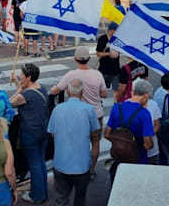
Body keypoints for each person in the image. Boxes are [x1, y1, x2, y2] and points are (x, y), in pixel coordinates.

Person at [51, 46, 108, 181]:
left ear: (75, 59)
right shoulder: (97, 74)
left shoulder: (71, 75)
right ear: (88, 58)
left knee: (78, 141)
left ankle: (78, 167)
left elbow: (55, 90)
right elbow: (104, 94)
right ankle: (92, 170)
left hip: (77, 116)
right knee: (95, 142)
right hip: (96, 114)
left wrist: (55, 87)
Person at [48, 78, 97, 206]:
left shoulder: (57, 109)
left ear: (67, 92)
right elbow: (94, 134)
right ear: (82, 92)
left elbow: (52, 133)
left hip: (61, 163)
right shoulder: (89, 110)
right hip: (82, 165)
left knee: (61, 199)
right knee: (80, 198)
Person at [9, 64, 50, 203]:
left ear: (28, 77)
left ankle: (37, 195)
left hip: (30, 133)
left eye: (22, 75)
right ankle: (43, 190)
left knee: (34, 164)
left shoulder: (25, 94)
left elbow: (10, 103)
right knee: (41, 162)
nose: (20, 76)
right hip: (43, 131)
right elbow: (25, 96)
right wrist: (17, 83)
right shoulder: (41, 88)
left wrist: (19, 87)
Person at [105, 79, 155, 183]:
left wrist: (121, 143)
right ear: (145, 96)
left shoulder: (116, 107)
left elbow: (107, 134)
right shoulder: (144, 114)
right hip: (138, 160)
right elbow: (147, 144)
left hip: (119, 158)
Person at [96, 23, 121, 90]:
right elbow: (98, 53)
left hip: (116, 70)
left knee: (116, 90)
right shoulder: (102, 39)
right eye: (115, 31)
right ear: (111, 30)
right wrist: (109, 54)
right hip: (104, 70)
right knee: (103, 90)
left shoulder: (117, 39)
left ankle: (116, 101)